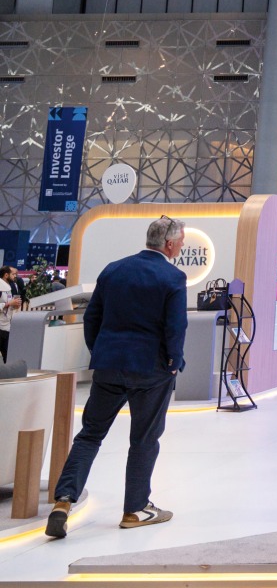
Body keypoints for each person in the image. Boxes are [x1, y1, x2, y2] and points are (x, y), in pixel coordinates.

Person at [46, 216, 188, 538]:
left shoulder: (113, 269)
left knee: (90, 435)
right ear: (169, 244)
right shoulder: (173, 277)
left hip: (109, 364)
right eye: (181, 241)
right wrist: (173, 363)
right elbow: (176, 328)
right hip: (151, 370)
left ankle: (63, 501)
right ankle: (135, 510)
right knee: (143, 439)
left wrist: (100, 351)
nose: (182, 246)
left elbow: (91, 316)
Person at [0, 265, 20, 362]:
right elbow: (5, 304)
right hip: (0, 326)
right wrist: (9, 303)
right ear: (6, 275)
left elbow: (8, 305)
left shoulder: (9, 287)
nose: (15, 276)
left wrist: (15, 305)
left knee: (7, 356)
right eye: (13, 274)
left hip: (7, 326)